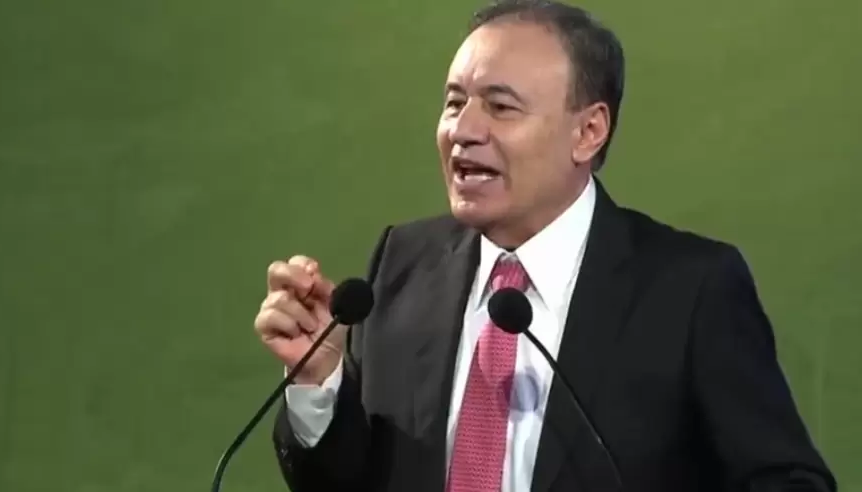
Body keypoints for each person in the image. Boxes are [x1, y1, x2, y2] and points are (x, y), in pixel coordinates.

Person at [253, 0, 836, 490]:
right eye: (454, 102)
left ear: (588, 132)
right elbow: (347, 482)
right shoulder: (401, 265)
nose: (463, 130)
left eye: (500, 107)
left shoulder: (691, 289)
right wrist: (319, 382)